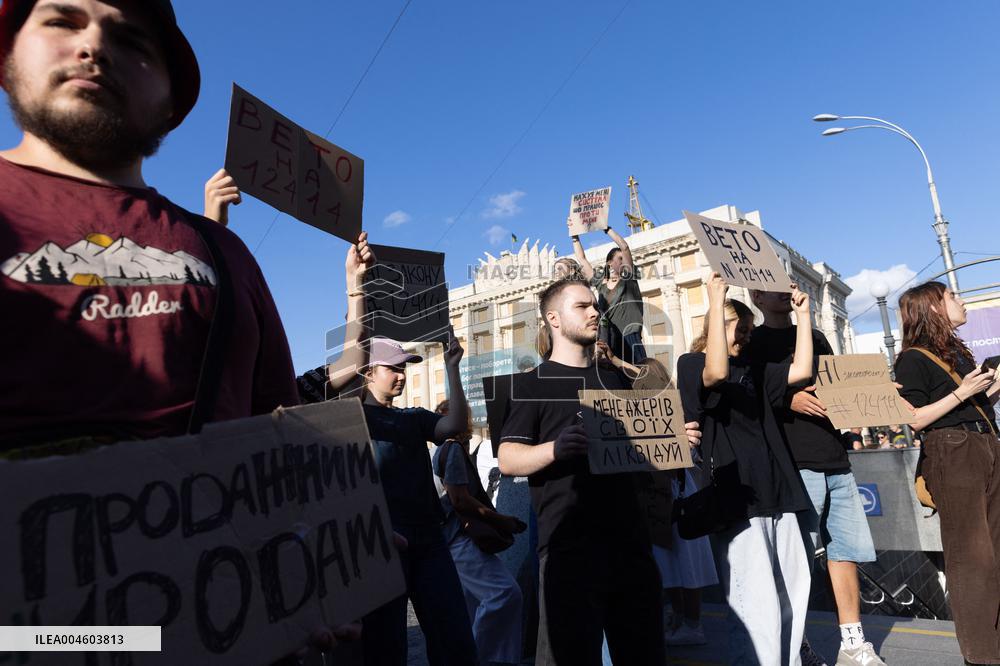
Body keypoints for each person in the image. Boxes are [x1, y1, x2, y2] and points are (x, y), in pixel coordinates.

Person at [497, 278, 702, 665]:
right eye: (582, 306)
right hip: (570, 550)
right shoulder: (531, 384)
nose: (595, 312)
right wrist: (554, 449)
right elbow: (508, 458)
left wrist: (674, 439)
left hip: (633, 545)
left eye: (595, 305)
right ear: (553, 319)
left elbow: (638, 454)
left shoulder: (615, 380)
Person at [677, 274, 813, 665]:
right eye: (743, 326)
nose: (748, 334)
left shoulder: (753, 369)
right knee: (755, 604)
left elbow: (801, 372)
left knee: (792, 595)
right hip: (736, 498)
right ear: (718, 326)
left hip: (778, 492)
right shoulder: (692, 364)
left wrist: (804, 317)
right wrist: (717, 298)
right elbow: (715, 374)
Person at [745, 289, 883, 666]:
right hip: (794, 463)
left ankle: (853, 643)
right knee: (798, 560)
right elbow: (748, 396)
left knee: (845, 553)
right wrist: (786, 400)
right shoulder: (752, 342)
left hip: (834, 458)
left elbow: (838, 384)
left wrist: (870, 397)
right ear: (757, 296)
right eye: (773, 288)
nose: (784, 291)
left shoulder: (817, 336)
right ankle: (798, 644)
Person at [893, 281, 1000, 664]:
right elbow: (916, 419)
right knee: (972, 557)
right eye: (954, 296)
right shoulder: (911, 359)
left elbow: (972, 406)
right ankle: (982, 655)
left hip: (985, 442)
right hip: (952, 453)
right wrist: (962, 392)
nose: (962, 299)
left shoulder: (957, 351)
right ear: (934, 307)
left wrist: (991, 386)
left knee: (996, 552)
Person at [359, 334, 479, 666]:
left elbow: (455, 424)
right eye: (393, 368)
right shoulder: (351, 420)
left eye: (404, 368)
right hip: (382, 543)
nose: (401, 375)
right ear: (368, 371)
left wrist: (452, 367)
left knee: (454, 637)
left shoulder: (414, 418)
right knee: (386, 646)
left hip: (429, 539)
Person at [432, 399, 526, 666]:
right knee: (505, 594)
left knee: (473, 604)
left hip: (451, 537)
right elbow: (459, 499)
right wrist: (501, 519)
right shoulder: (452, 450)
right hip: (460, 536)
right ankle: (480, 657)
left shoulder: (442, 449)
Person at [570, 222, 647, 365]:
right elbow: (582, 259)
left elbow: (624, 246)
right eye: (620, 259)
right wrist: (574, 236)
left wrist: (606, 228)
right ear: (610, 264)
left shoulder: (629, 278)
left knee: (640, 376)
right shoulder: (600, 283)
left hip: (631, 336)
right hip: (610, 339)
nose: (624, 261)